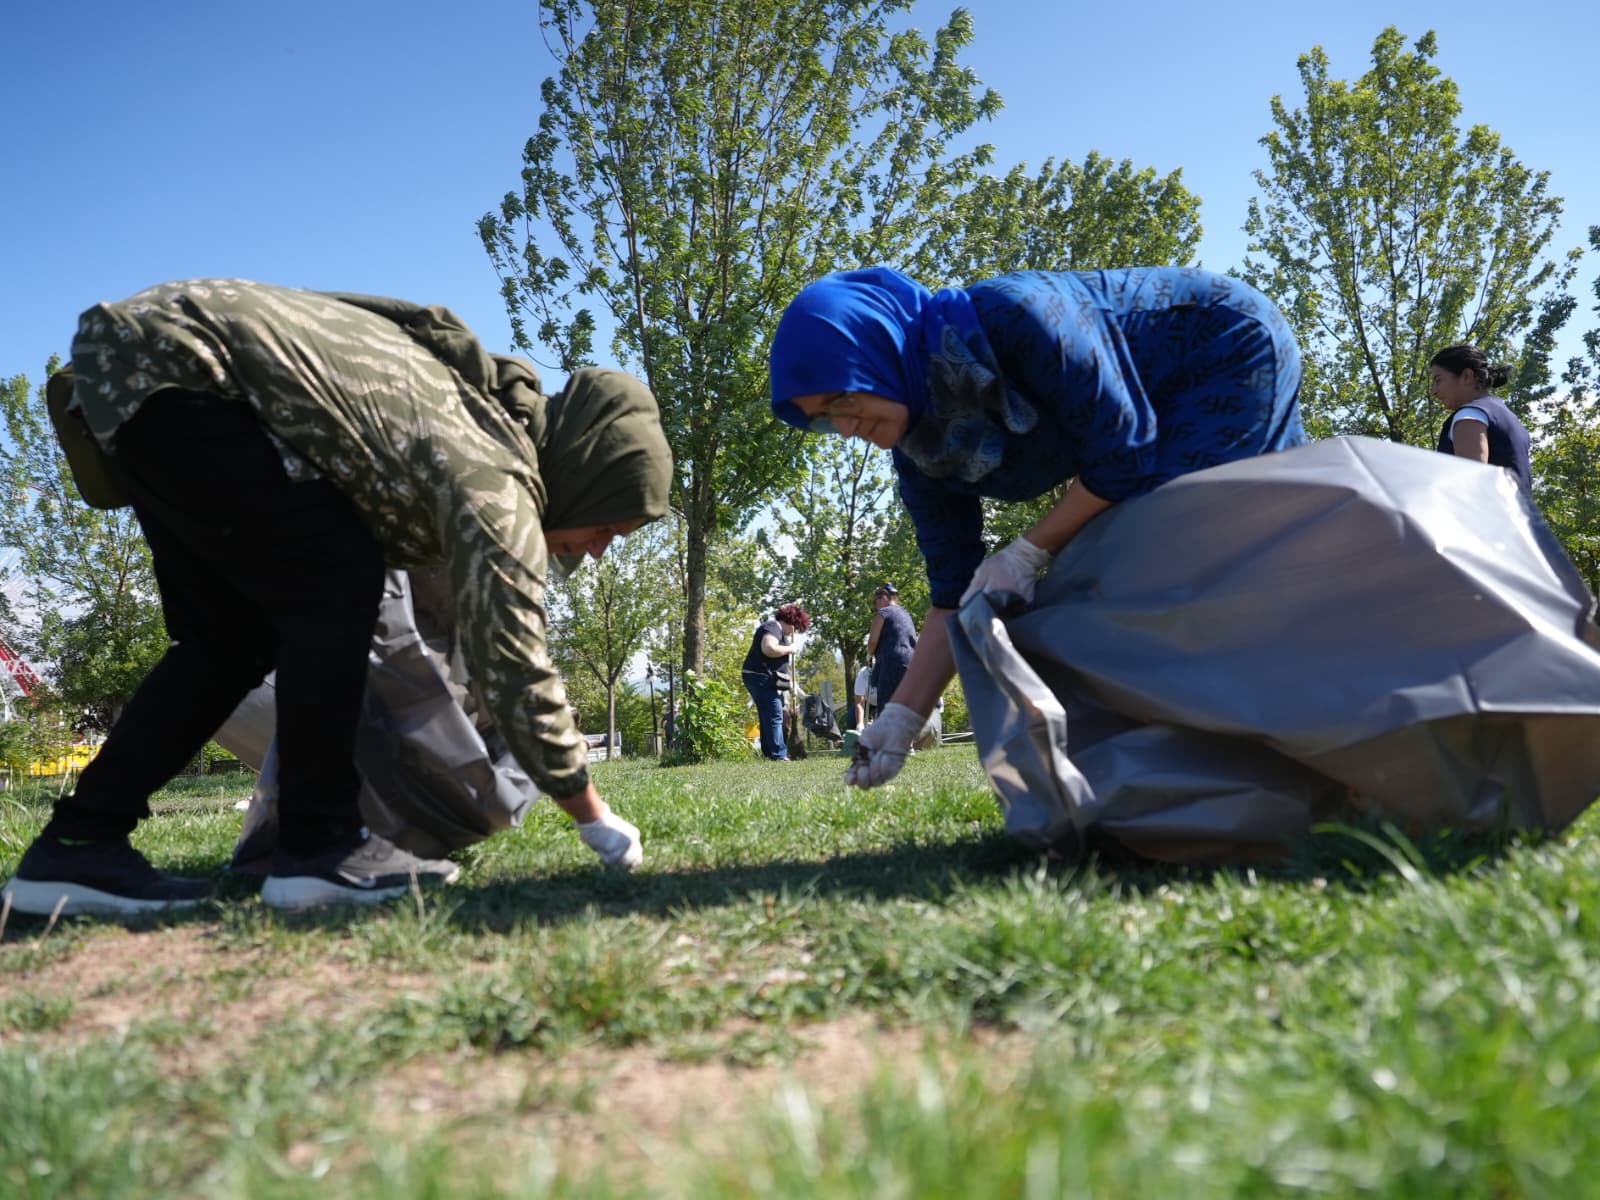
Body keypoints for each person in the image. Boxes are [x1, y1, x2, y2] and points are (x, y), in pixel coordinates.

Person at [3, 279, 671, 916]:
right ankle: (320, 849)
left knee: (228, 640)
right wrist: (594, 816)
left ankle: (78, 845)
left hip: (146, 371)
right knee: (336, 587)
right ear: (585, 473)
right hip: (188, 374)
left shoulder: (466, 420)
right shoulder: (493, 473)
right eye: (607, 526)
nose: (595, 549)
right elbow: (514, 663)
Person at [770, 266, 1306, 788]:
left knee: (1195, 545)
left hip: (1219, 346)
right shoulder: (921, 456)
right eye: (821, 417)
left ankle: (1292, 746)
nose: (843, 427)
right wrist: (901, 718)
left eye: (843, 396)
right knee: (1140, 562)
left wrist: (1028, 551)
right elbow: (952, 598)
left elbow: (1124, 455)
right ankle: (1206, 770)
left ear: (878, 348)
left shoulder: (1017, 318)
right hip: (1140, 429)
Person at [1429, 344, 1530, 491]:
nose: (1434, 391)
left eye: (1438, 380)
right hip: (1517, 512)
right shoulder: (1505, 414)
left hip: (1487, 512)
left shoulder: (1470, 416)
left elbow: (1472, 482)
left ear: (1466, 377)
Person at [741, 603, 810, 760]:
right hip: (760, 676)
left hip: (763, 678)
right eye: (797, 628)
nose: (795, 632)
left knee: (768, 714)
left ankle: (769, 753)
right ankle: (778, 755)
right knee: (775, 713)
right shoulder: (773, 627)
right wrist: (790, 649)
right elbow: (769, 648)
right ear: (792, 622)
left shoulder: (776, 630)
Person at [866, 583, 916, 719]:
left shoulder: (883, 613)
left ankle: (887, 739)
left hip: (891, 663)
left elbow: (872, 642)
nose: (875, 607)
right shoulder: (906, 614)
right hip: (911, 663)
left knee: (887, 707)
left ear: (882, 598)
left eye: (874, 603)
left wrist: (869, 655)